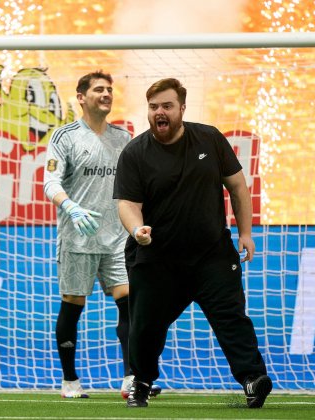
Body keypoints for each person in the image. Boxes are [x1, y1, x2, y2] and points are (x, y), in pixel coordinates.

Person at [113, 78, 272, 408]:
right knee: (146, 324)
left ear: (182, 109)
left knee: (231, 317)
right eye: (154, 106)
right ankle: (140, 380)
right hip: (157, 259)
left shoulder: (210, 138)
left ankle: (252, 379)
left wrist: (245, 233)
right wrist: (137, 229)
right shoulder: (135, 153)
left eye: (167, 106)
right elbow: (127, 204)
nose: (160, 112)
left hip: (210, 255)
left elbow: (238, 188)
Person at [43, 71, 161, 399]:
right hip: (78, 237)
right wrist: (72, 208)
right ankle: (70, 381)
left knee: (129, 305)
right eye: (99, 89)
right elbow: (50, 182)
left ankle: (131, 377)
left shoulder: (124, 139)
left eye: (109, 89)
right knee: (73, 304)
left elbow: (138, 187)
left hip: (116, 239)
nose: (106, 94)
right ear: (81, 97)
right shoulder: (64, 136)